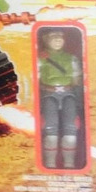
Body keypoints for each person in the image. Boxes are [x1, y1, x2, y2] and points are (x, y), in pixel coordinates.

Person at [38, 29, 83, 169]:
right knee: (50, 130)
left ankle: (69, 164)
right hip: (48, 94)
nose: (58, 40)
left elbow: (77, 79)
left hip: (68, 94)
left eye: (60, 37)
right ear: (46, 39)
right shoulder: (40, 59)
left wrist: (79, 98)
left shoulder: (71, 58)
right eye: (54, 37)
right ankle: (50, 164)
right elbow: (35, 78)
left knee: (71, 130)